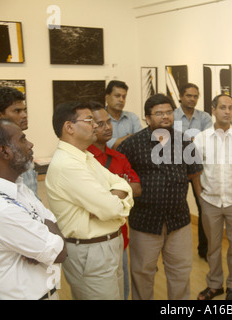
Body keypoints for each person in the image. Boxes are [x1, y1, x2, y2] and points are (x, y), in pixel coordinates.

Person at [117, 93, 203, 300]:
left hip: (178, 221)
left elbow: (194, 172)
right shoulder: (132, 144)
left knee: (180, 272)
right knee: (142, 273)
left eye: (168, 112)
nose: (165, 117)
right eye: (158, 113)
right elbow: (119, 178)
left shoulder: (184, 142)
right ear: (147, 118)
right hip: (145, 222)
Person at [45, 101, 133, 300]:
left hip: (108, 244)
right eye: (89, 120)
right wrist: (112, 201)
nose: (96, 126)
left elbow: (122, 184)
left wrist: (112, 200)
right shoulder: (67, 165)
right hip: (91, 252)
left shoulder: (84, 156)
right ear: (69, 127)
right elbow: (110, 209)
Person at [0, 119, 67, 300]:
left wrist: (39, 236)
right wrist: (44, 232)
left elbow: (53, 222)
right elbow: (60, 253)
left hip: (48, 292)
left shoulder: (17, 185)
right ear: (4, 151)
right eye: (22, 139)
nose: (30, 144)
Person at [194, 94, 232, 300]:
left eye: (230, 107)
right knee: (212, 246)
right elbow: (194, 171)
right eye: (222, 107)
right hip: (210, 201)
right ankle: (214, 285)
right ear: (213, 110)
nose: (227, 111)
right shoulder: (201, 138)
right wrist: (200, 195)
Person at [87, 101, 142, 300]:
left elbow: (136, 188)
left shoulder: (119, 157)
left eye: (108, 122)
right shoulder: (81, 160)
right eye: (100, 124)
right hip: (91, 242)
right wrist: (121, 189)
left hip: (120, 237)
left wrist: (108, 195)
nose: (107, 127)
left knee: (122, 291)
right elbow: (92, 207)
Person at [173, 83, 213, 260]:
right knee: (175, 207)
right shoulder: (171, 116)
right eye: (189, 95)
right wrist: (194, 140)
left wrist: (185, 140)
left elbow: (209, 141)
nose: (192, 99)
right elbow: (168, 143)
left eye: (196, 96)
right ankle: (174, 249)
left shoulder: (204, 117)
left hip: (199, 168)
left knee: (204, 207)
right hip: (176, 168)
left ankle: (204, 250)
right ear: (181, 96)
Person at [0, 87, 38, 196]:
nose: (25, 115)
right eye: (17, 111)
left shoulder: (25, 148)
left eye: (24, 110)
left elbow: (33, 195)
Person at [105, 80, 143, 149]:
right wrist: (130, 137)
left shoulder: (132, 118)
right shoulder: (98, 118)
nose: (121, 100)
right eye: (117, 96)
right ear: (107, 97)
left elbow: (140, 141)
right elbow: (103, 145)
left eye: (124, 97)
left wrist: (116, 142)